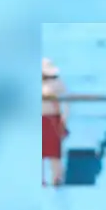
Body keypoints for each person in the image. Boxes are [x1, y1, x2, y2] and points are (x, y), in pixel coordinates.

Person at [42, 58, 68, 186]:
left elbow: (66, 103)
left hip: (52, 119)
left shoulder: (58, 83)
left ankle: (57, 178)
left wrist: (63, 121)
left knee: (54, 152)